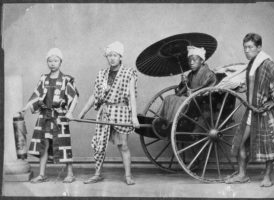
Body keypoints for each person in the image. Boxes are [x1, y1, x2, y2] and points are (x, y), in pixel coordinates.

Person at [225, 33, 274, 187]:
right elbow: (256, 85)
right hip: (251, 111)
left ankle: (267, 178)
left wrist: (273, 101)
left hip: (265, 112)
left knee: (269, 146)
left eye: (250, 47)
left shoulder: (266, 63)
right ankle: (242, 175)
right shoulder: (252, 64)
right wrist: (245, 88)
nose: (247, 51)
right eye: (245, 47)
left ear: (259, 48)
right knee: (241, 143)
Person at [78, 41, 140, 185]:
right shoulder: (102, 74)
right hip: (104, 112)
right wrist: (82, 112)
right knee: (99, 145)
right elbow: (95, 95)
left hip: (121, 112)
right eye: (109, 55)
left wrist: (134, 117)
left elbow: (131, 96)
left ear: (120, 57)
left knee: (123, 145)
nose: (112, 58)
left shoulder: (128, 72)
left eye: (115, 55)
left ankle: (128, 176)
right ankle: (97, 174)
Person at [18, 48, 79, 183]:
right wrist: (25, 108)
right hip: (44, 116)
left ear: (60, 62)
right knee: (43, 144)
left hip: (60, 116)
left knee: (63, 143)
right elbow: (36, 95)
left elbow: (74, 97)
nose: (52, 63)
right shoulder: (43, 78)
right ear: (47, 62)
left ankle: (70, 173)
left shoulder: (66, 79)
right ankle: (41, 174)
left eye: (55, 60)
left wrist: (70, 112)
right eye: (50, 61)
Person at [153, 45, 217, 133]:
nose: (191, 63)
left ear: (202, 60)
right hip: (189, 97)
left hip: (201, 100)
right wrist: (184, 82)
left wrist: (193, 92)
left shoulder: (209, 74)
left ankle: (172, 123)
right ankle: (163, 120)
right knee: (169, 98)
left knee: (181, 100)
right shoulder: (191, 74)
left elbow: (207, 88)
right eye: (189, 60)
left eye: (194, 60)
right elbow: (182, 89)